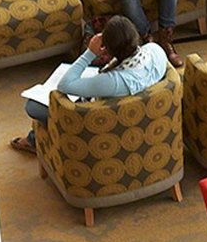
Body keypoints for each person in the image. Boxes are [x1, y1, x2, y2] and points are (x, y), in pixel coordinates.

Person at [10, 15, 169, 153]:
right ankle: (34, 138)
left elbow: (64, 85)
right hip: (135, 119)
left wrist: (89, 53)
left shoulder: (112, 82)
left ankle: (35, 141)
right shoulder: (156, 51)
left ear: (107, 49)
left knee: (33, 106)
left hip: (97, 124)